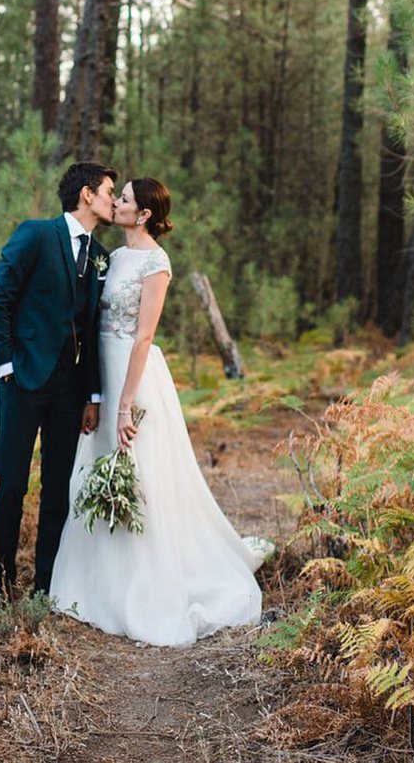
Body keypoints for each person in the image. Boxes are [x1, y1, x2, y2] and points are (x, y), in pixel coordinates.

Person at [49, 177, 263, 646]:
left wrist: (125, 405)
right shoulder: (111, 257)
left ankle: (144, 584)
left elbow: (143, 335)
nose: (116, 203)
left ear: (143, 213)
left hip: (134, 375)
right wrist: (95, 395)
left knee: (139, 474)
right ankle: (94, 582)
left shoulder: (155, 263)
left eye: (123, 199)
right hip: (101, 374)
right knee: (94, 471)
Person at [0, 162, 117, 603]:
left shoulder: (101, 255)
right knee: (13, 485)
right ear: (86, 194)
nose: (114, 200)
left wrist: (92, 395)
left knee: (58, 487)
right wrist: (6, 368)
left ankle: (46, 587)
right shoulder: (36, 234)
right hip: (22, 382)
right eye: (109, 191)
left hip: (69, 390)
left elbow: (94, 327)